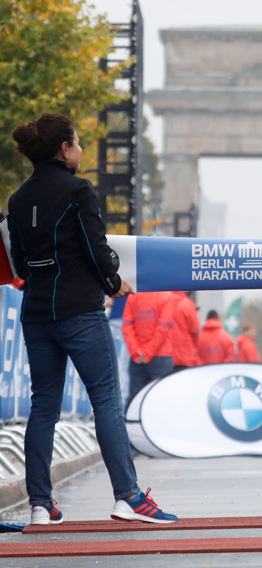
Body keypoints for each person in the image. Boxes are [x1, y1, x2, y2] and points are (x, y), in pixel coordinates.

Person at [6, 113, 176, 525]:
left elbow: (21, 263)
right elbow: (95, 247)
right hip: (79, 310)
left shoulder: (17, 199)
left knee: (43, 406)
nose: (81, 150)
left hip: (36, 313)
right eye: (78, 143)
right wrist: (114, 282)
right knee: (105, 400)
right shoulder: (78, 189)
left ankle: (41, 505)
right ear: (64, 149)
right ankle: (129, 497)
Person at [121, 291, 175, 402]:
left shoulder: (133, 297)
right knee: (162, 400)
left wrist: (136, 352)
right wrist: (148, 353)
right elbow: (162, 328)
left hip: (138, 358)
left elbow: (127, 326)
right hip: (161, 356)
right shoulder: (167, 296)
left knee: (136, 402)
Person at [167, 291, 201, 373]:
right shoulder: (187, 304)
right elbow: (195, 332)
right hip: (183, 357)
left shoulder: (162, 301)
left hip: (163, 356)